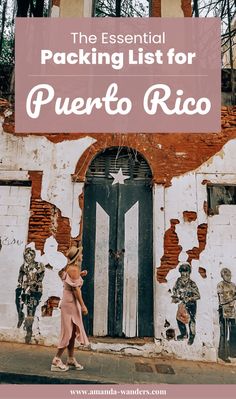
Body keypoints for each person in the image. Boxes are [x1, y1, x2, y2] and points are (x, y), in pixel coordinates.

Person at [51, 245, 89, 372]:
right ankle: (56, 359)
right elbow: (75, 289)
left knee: (72, 332)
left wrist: (80, 274)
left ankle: (71, 358)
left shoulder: (74, 269)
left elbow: (71, 280)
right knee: (67, 332)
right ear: (76, 257)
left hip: (69, 302)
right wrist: (83, 305)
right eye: (80, 254)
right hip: (70, 303)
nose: (82, 255)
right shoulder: (73, 269)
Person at [15, 247, 45, 343]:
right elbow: (20, 279)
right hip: (25, 290)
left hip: (35, 291)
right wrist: (22, 285)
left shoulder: (39, 265)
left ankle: (29, 331)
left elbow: (39, 279)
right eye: (26, 256)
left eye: (30, 256)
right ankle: (20, 315)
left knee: (30, 310)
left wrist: (31, 283)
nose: (28, 258)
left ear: (33, 256)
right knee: (18, 300)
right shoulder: (23, 267)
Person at [172, 263, 200, 345]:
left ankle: (192, 336)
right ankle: (184, 334)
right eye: (183, 272)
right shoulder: (178, 281)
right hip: (182, 303)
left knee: (191, 320)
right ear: (180, 272)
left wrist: (190, 298)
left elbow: (198, 295)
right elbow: (175, 290)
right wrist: (176, 296)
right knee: (179, 318)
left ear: (189, 272)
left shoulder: (192, 283)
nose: (184, 274)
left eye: (186, 272)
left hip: (191, 304)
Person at [217, 267, 236, 362]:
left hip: (232, 312)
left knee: (233, 332)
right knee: (224, 333)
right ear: (222, 276)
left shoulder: (233, 285)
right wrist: (233, 299)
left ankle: (233, 352)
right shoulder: (220, 285)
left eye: (229, 275)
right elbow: (222, 301)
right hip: (223, 311)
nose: (228, 277)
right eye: (226, 275)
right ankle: (223, 354)